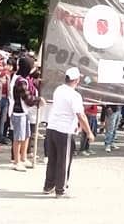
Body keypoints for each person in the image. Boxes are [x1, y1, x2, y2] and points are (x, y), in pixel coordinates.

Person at [42, 67, 94, 198]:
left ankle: (49, 185)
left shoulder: (58, 90)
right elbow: (81, 115)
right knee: (63, 161)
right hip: (64, 130)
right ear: (76, 80)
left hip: (52, 127)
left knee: (52, 159)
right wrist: (89, 132)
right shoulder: (74, 95)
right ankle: (61, 188)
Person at [10, 56, 38, 171]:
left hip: (24, 111)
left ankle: (23, 157)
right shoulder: (20, 81)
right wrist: (38, 100)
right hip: (18, 112)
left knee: (26, 135)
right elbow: (26, 98)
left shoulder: (22, 78)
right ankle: (17, 161)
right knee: (18, 138)